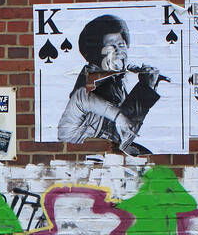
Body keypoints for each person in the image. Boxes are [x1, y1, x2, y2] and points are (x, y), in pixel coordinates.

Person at [56, 14, 164, 153]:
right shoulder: (92, 81)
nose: (118, 51)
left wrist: (147, 86)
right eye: (111, 47)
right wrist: (144, 90)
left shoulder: (116, 83)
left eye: (121, 45)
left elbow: (125, 131)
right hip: (82, 155)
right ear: (96, 53)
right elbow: (83, 99)